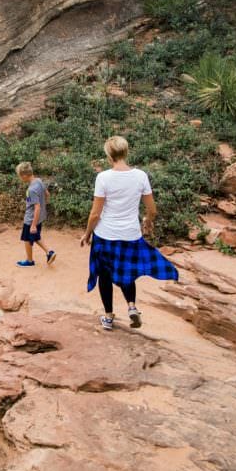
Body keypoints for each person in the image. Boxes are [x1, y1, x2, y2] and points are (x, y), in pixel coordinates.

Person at [79, 135, 178, 330]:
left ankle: (108, 317)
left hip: (106, 235)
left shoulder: (104, 178)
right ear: (126, 152)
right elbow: (152, 209)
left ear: (109, 155)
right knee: (127, 272)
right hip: (130, 234)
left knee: (104, 275)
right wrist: (147, 221)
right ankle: (132, 306)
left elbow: (95, 213)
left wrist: (88, 233)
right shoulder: (140, 176)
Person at [16, 162, 55, 267]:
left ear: (24, 175)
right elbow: (47, 194)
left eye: (20, 176)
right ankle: (49, 252)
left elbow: (37, 207)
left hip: (31, 219)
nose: (20, 178)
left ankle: (29, 261)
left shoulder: (31, 190)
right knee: (35, 236)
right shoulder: (38, 181)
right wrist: (43, 204)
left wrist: (33, 224)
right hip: (40, 217)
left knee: (27, 238)